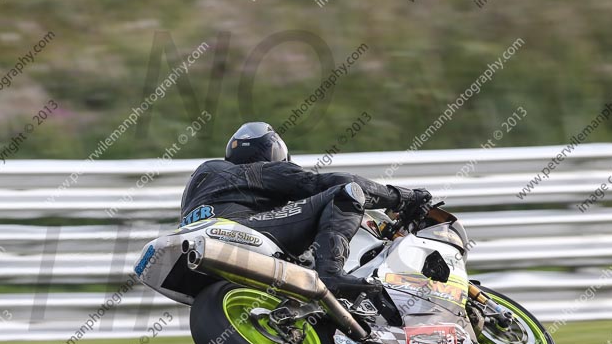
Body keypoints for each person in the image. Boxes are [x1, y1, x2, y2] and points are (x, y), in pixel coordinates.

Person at [179, 122, 431, 299]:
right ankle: (332, 273)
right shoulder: (261, 170)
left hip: (196, 241)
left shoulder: (205, 174)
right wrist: (402, 198)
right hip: (241, 229)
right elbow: (335, 181)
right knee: (347, 192)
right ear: (271, 150)